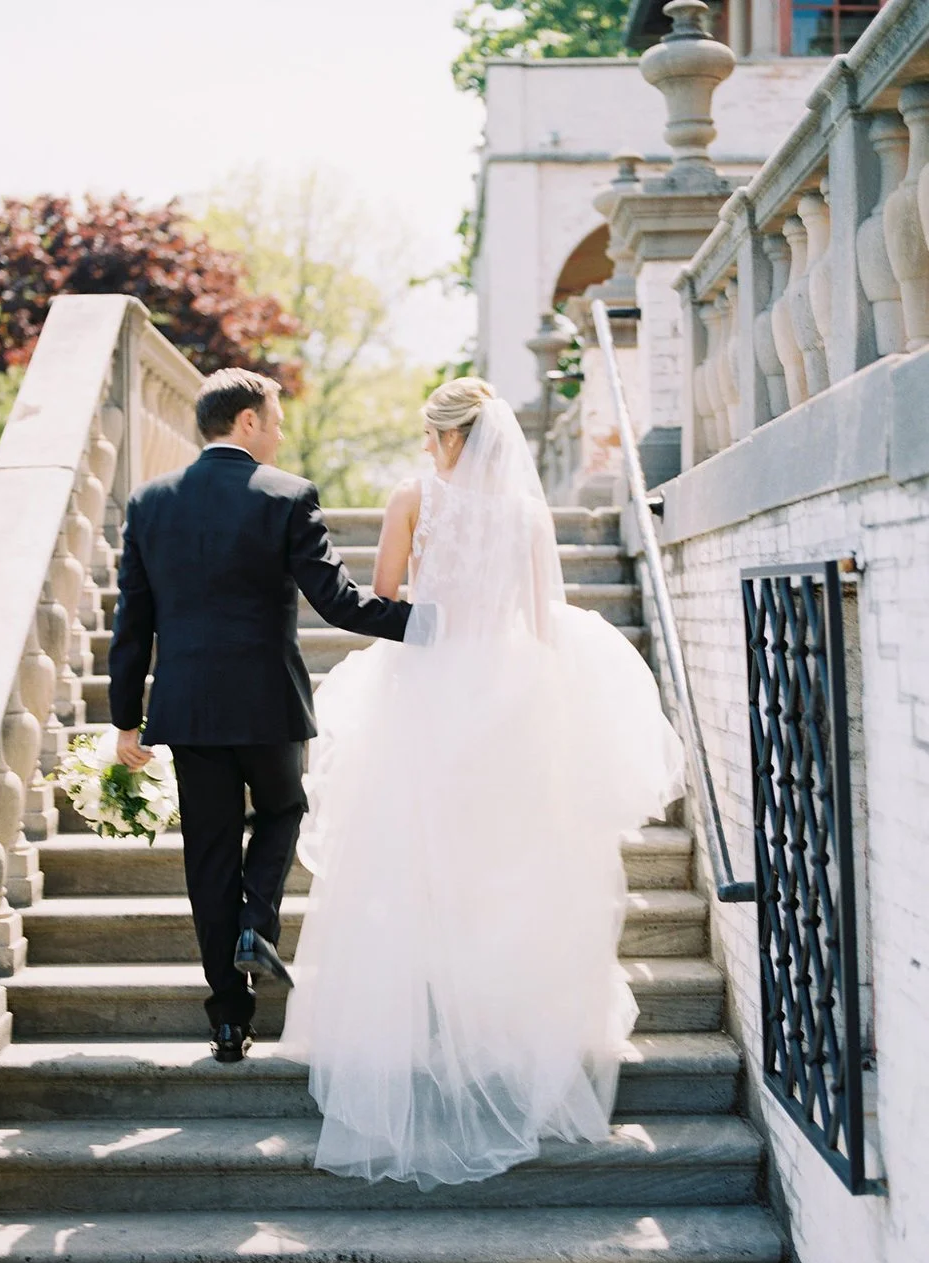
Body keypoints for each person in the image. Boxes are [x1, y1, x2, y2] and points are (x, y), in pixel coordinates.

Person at [278, 376, 686, 1190]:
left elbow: (387, 597)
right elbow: (542, 620)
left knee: (412, 858)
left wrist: (438, 612)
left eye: (432, 435)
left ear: (444, 435)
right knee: (507, 861)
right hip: (505, 695)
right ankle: (498, 1026)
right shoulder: (527, 512)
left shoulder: (412, 497)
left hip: (427, 686)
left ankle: (423, 1020)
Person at [108, 368, 411, 1063]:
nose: (278, 431)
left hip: (187, 711)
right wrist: (431, 623)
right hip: (268, 704)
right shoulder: (287, 495)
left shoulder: (149, 503)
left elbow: (133, 621)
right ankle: (257, 924)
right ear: (246, 421)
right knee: (282, 809)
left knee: (209, 856)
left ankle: (227, 1019)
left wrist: (126, 716)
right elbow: (338, 602)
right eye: (273, 418)